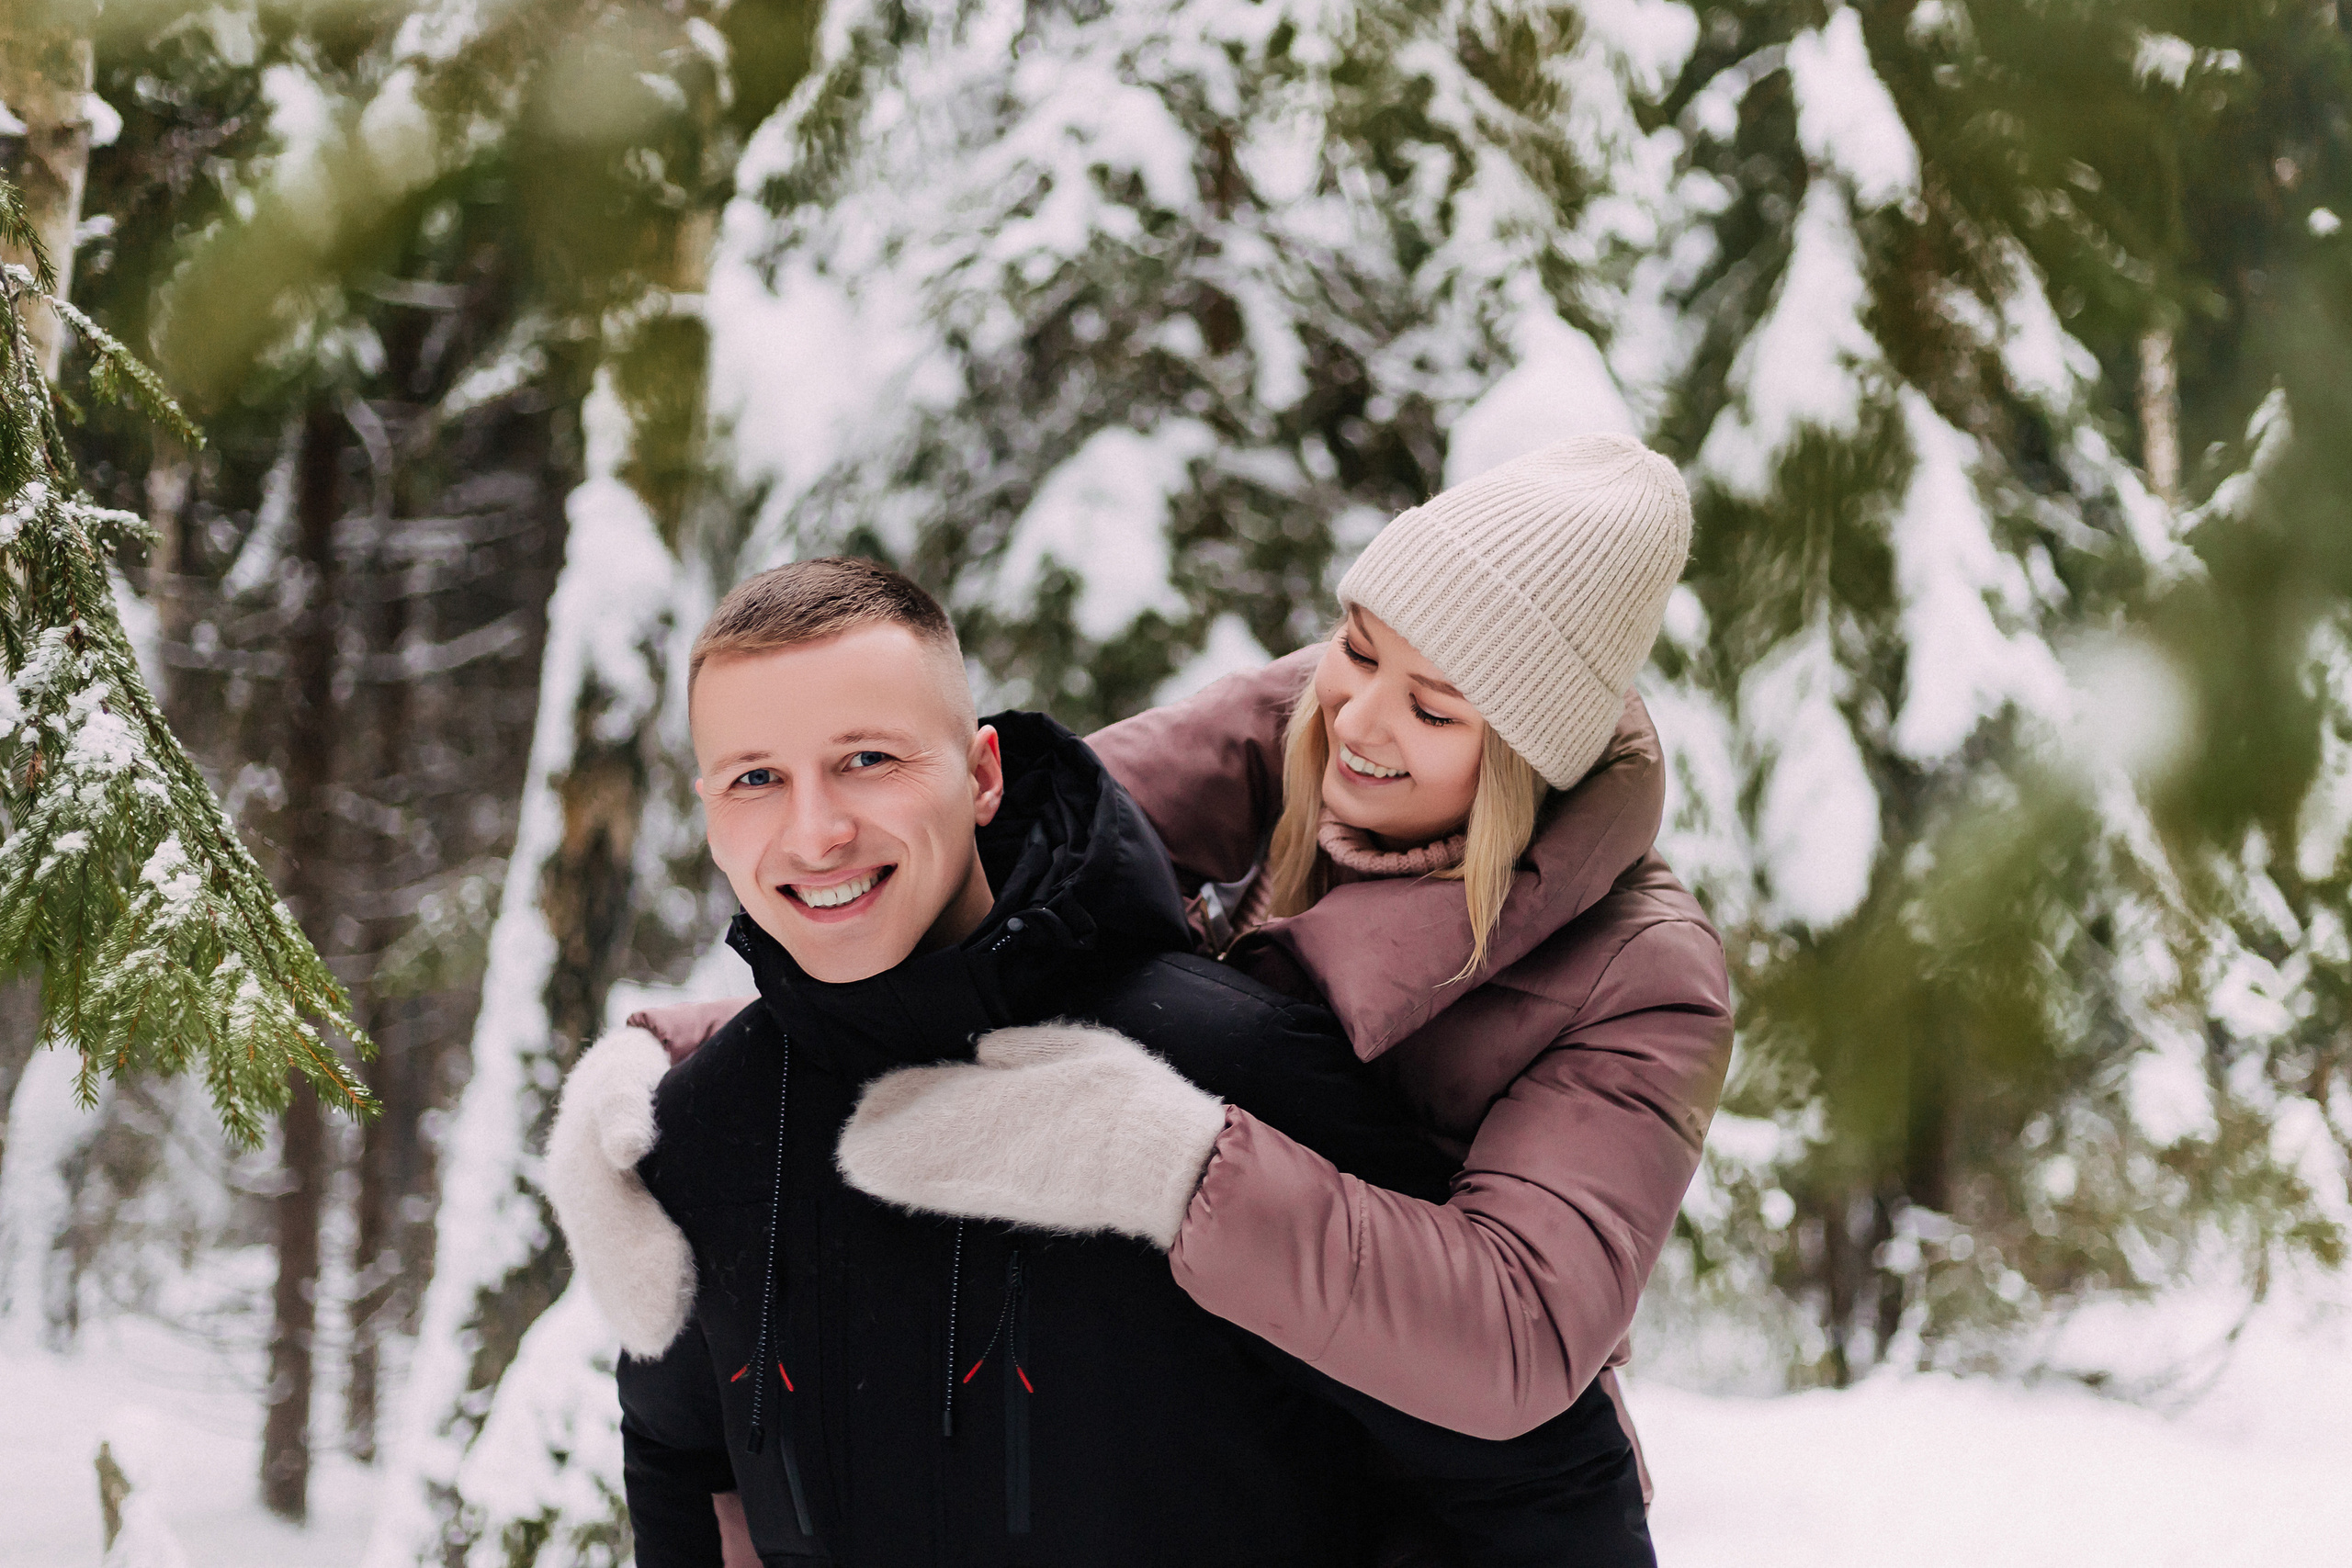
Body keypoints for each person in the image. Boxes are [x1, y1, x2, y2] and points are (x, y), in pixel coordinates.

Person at [544, 555, 1659, 1568]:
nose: (815, 832)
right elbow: (682, 1479)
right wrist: (656, 1074)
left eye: (867, 760)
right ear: (706, 811)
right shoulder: (702, 1132)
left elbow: (1538, 1482)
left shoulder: (1223, 1071)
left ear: (982, 775)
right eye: (755, 780)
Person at [826, 434, 1734, 1464]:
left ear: (1527, 761)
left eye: (1434, 708)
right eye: (1356, 646)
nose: (1361, 717)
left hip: (1435, 1498)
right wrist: (696, 1062)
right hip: (1203, 1425)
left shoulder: (1645, 978)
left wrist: (1171, 1159)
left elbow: (1519, 1325)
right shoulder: (1301, 729)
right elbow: (999, 884)